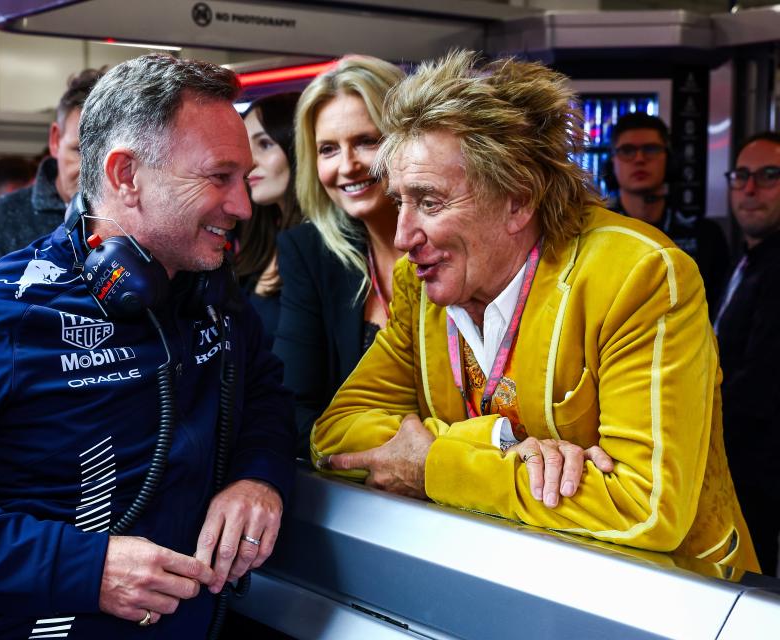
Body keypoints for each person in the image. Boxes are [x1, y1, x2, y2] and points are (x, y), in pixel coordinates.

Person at [0, 54, 295, 638]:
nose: (243, 207)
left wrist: (257, 477)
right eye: (217, 177)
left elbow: (267, 398)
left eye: (244, 179)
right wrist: (86, 568)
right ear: (126, 175)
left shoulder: (209, 296)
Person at [312, 51, 758, 573]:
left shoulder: (639, 274)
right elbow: (336, 434)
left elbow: (644, 507)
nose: (403, 236)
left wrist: (434, 462)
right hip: (499, 582)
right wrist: (496, 442)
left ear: (518, 202)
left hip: (665, 600)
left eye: (429, 203)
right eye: (400, 201)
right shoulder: (424, 281)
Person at [274, 56, 403, 445]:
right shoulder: (310, 251)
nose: (347, 165)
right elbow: (290, 407)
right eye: (328, 149)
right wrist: (383, 453)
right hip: (354, 486)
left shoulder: (461, 245)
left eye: (367, 141)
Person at [714, 132, 780, 576]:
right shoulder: (745, 258)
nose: (750, 189)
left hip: (756, 473)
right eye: (741, 176)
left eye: (768, 176)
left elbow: (760, 385)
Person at [0, 68, 104, 276]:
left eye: (107, 154)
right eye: (80, 151)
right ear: (55, 140)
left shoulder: (136, 219)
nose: (94, 169)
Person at [608, 113, 729, 306]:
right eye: (627, 150)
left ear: (670, 160)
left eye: (651, 149)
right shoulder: (597, 234)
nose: (639, 159)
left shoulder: (706, 235)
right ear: (612, 163)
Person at [235, 92, 302, 344]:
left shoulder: (319, 247)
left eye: (264, 144)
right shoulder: (259, 235)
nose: (249, 162)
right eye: (245, 147)